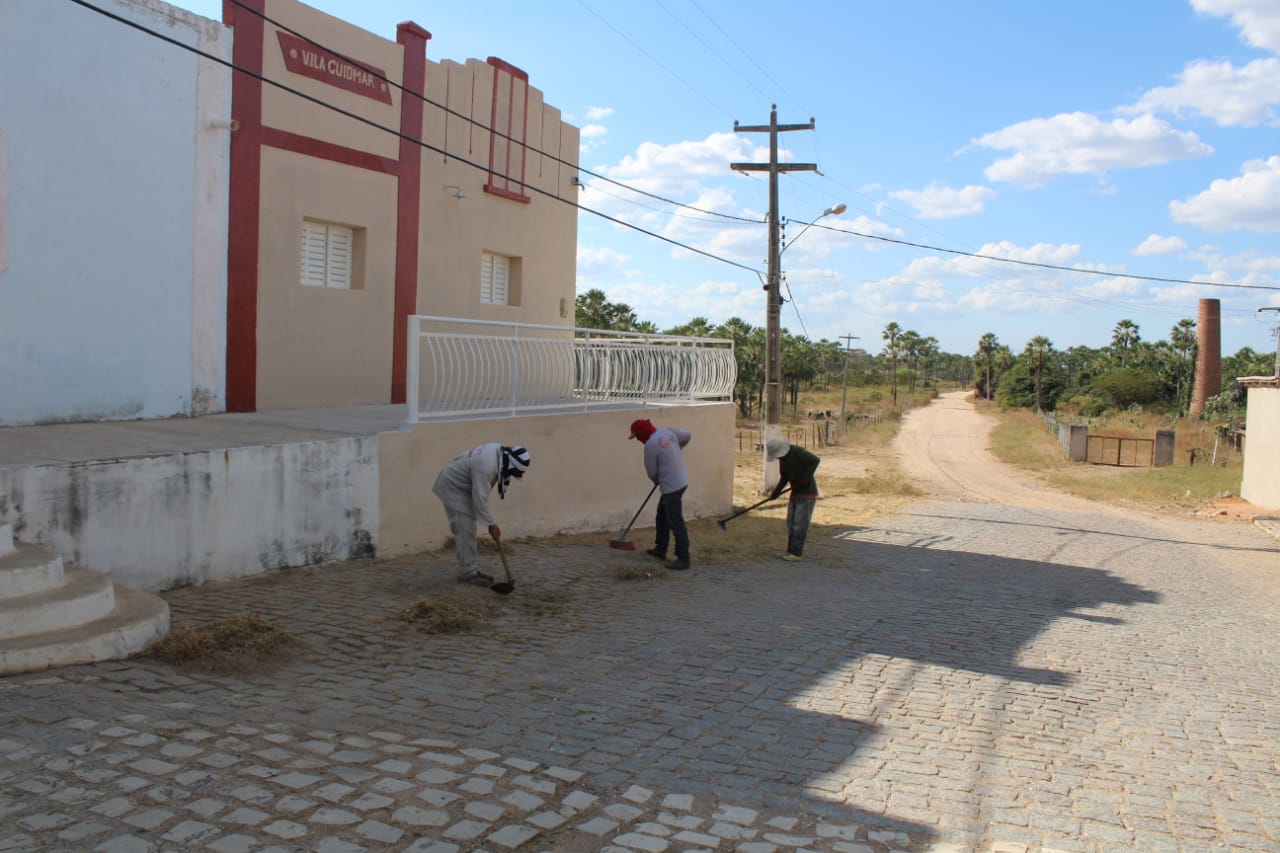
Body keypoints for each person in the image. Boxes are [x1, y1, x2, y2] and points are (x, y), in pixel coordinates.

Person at [431, 443, 530, 585]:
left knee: (467, 528)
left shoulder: (497, 452)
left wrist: (489, 522)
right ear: (510, 465)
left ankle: (471, 569)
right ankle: (467, 574)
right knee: (466, 528)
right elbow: (480, 498)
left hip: (462, 486)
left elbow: (480, 496)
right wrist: (491, 524)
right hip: (453, 486)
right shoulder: (487, 467)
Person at [629, 418, 692, 570]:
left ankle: (683, 558)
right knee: (662, 515)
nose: (637, 440)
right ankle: (660, 549)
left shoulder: (650, 445)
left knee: (675, 520)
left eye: (637, 436)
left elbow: (652, 472)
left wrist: (658, 480)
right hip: (681, 481)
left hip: (671, 486)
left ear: (642, 433)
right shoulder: (667, 432)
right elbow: (687, 435)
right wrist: (677, 448)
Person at [766, 438, 820, 561]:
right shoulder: (783, 459)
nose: (778, 458)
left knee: (799, 524)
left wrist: (805, 478)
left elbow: (815, 460)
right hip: (795, 492)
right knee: (791, 523)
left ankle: (796, 553)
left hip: (807, 493)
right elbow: (784, 478)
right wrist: (776, 492)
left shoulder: (797, 452)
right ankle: (790, 551)